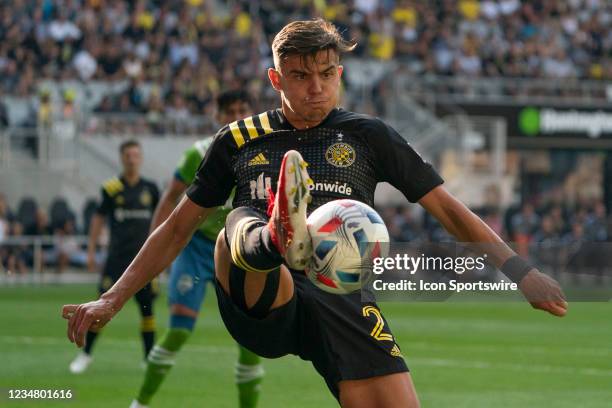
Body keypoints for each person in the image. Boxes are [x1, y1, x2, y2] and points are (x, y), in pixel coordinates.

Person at [64, 20, 567, 407]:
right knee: (237, 228)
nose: (316, 88)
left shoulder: (370, 137)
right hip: (263, 296)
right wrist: (111, 299)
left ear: (340, 75)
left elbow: (448, 209)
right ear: (275, 77)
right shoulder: (237, 139)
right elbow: (176, 228)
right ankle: (279, 235)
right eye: (300, 77)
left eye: (327, 75)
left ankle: (289, 230)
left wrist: (520, 273)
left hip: (340, 292)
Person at [130, 90, 264, 408]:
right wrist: (153, 254)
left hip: (239, 252)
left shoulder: (264, 151)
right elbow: (170, 198)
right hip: (196, 248)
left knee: (251, 341)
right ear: (216, 117)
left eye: (241, 109)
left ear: (250, 112)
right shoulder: (199, 153)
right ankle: (140, 403)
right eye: (228, 111)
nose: (235, 116)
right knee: (178, 331)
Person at [69, 140, 160, 374]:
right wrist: (91, 250)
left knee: (147, 309)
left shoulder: (150, 189)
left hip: (144, 261)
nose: (132, 159)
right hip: (116, 260)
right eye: (128, 155)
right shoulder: (111, 188)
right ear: (122, 158)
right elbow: (98, 219)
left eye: (135, 155)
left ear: (140, 158)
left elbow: (162, 220)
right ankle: (86, 355)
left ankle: (148, 359)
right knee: (100, 309)